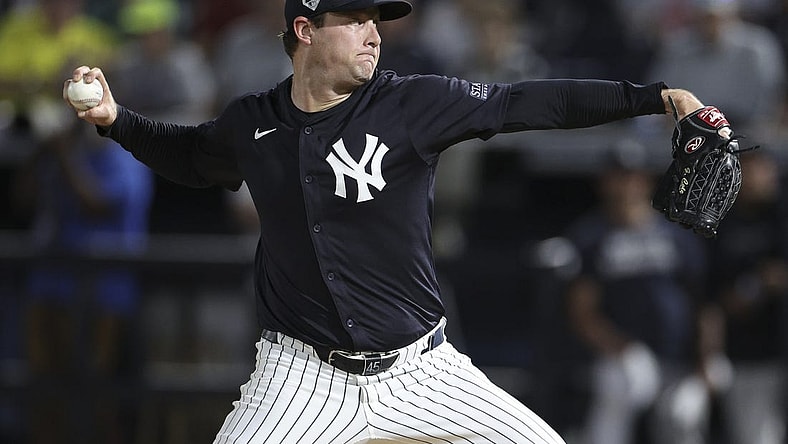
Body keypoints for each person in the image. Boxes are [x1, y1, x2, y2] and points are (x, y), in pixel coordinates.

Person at [63, 1, 717, 442]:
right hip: (300, 377)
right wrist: (116, 121)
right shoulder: (253, 121)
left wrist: (650, 98)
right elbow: (191, 156)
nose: (375, 32)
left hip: (422, 368)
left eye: (378, 19)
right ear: (305, 29)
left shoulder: (412, 102)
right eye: (355, 18)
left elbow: (529, 102)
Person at [563, 141, 711, 444]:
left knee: (683, 419)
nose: (625, 185)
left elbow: (703, 303)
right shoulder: (591, 237)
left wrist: (705, 366)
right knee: (622, 388)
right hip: (622, 356)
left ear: (645, 180)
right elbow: (582, 312)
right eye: (617, 176)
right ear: (603, 182)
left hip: (677, 357)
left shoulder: (675, 235)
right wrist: (623, 349)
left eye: (632, 176)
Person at [705, 149, 788, 444]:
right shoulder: (721, 223)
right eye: (750, 169)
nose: (761, 177)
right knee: (756, 437)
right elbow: (716, 298)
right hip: (750, 354)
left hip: (780, 346)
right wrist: (756, 286)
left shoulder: (780, 213)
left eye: (765, 168)